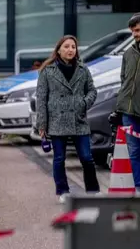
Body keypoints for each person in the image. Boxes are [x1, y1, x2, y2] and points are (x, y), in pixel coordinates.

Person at [35, 35, 100, 203]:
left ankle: (93, 192)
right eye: (66, 46)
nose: (70, 50)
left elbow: (92, 91)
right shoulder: (48, 71)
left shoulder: (83, 69)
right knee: (59, 158)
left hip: (79, 119)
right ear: (58, 50)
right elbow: (41, 99)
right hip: (57, 120)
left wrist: (84, 104)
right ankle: (63, 191)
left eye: (73, 47)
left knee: (87, 157)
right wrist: (42, 124)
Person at [111, 13, 140, 193]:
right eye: (134, 31)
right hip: (129, 112)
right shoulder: (128, 53)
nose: (137, 34)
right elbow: (124, 79)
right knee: (134, 152)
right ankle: (138, 190)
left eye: (139, 30)